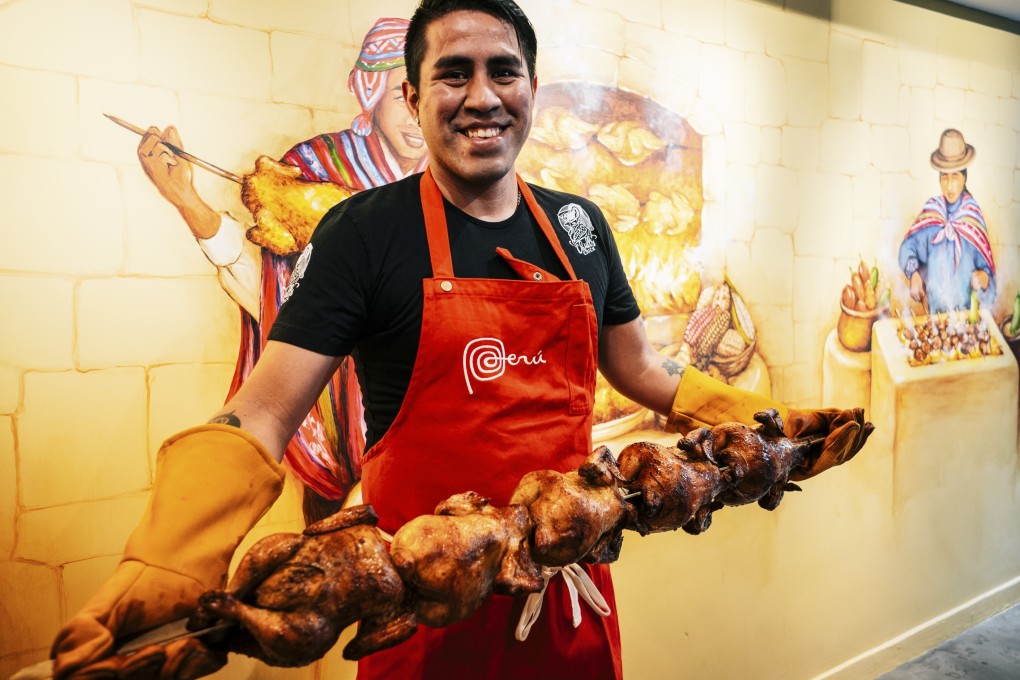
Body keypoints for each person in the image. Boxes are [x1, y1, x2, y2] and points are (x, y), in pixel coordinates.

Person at [50, 1, 872, 678]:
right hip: (419, 624)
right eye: (453, 72)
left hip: (569, 606)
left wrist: (770, 419)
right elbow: (263, 412)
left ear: (532, 90)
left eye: (501, 70)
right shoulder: (364, 233)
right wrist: (168, 557)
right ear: (412, 97)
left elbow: (643, 372)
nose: (481, 95)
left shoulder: (578, 229)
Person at [136, 18, 428, 521]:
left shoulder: (451, 183)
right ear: (374, 92)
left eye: (425, 95)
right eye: (402, 96)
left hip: (433, 429)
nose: (416, 116)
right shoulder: (312, 169)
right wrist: (188, 201)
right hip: (339, 424)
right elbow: (280, 301)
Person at [898, 128, 996, 315]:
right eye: (944, 177)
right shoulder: (932, 214)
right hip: (934, 317)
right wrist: (914, 274)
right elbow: (908, 247)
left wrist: (983, 277)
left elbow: (987, 271)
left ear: (965, 177)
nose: (949, 185)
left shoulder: (972, 217)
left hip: (966, 321)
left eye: (955, 176)